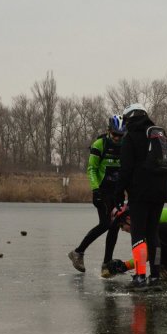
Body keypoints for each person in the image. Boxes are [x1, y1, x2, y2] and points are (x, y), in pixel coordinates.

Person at [113, 103, 167, 290]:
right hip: (160, 192)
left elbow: (126, 169)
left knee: (138, 234)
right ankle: (154, 276)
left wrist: (118, 193)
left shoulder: (131, 137)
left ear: (130, 118)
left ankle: (139, 277)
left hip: (140, 192)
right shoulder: (161, 137)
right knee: (153, 234)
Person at [68, 115, 126, 276]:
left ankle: (106, 263)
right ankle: (78, 252)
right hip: (102, 190)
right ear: (108, 131)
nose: (117, 138)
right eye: (115, 134)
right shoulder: (100, 144)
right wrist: (95, 190)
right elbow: (92, 169)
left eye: (121, 136)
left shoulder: (125, 146)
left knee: (115, 226)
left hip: (117, 192)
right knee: (106, 223)